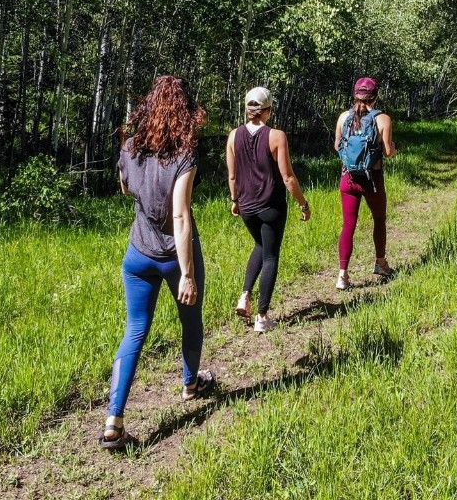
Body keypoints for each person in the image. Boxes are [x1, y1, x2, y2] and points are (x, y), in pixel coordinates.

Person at [100, 75, 213, 451]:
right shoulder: (185, 154)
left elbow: (126, 187)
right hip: (173, 255)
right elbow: (180, 217)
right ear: (185, 111)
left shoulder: (130, 147)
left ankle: (113, 421)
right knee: (190, 320)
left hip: (137, 254)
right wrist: (188, 275)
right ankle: (190, 384)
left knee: (134, 330)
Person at [226, 87, 311, 333]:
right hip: (271, 205)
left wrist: (235, 201)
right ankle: (262, 316)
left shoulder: (233, 136)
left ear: (247, 109)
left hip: (247, 207)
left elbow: (232, 176)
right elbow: (288, 177)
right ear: (268, 111)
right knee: (271, 255)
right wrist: (303, 204)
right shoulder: (277, 136)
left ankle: (245, 294)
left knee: (260, 245)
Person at [334, 77, 396, 290]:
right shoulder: (383, 119)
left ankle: (342, 275)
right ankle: (380, 263)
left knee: (348, 225)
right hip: (373, 179)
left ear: (355, 95)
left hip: (348, 179)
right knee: (379, 219)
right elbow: (388, 152)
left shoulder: (344, 117)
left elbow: (337, 146)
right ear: (376, 96)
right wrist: (393, 147)